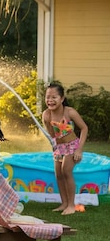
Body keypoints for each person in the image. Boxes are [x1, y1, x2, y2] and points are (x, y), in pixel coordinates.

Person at [42, 82, 88, 215]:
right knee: (58, 174)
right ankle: (64, 203)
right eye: (47, 97)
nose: (50, 100)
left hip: (72, 145)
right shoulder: (46, 115)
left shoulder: (69, 112)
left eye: (54, 97)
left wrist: (79, 149)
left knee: (66, 171)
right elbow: (52, 135)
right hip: (59, 147)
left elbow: (84, 128)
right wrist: (48, 125)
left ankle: (71, 205)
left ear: (62, 99)